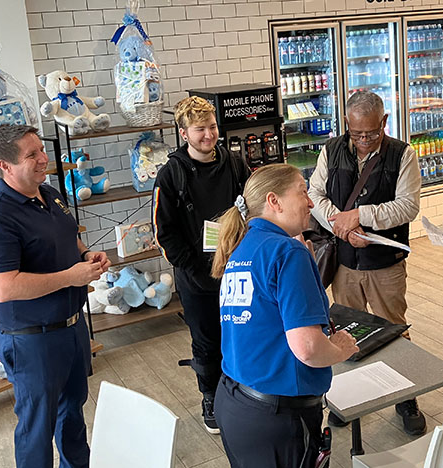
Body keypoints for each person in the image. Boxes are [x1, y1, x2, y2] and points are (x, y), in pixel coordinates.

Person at [0, 124, 110, 468]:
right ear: (5, 166)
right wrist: (70, 277)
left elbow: (69, 237)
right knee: (37, 428)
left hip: (72, 328)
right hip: (32, 340)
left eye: (41, 150)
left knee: (72, 414)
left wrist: (86, 255)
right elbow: (5, 287)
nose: (43, 158)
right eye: (31, 155)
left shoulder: (49, 194)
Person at [211, 164, 359, 468]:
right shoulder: (288, 253)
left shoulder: (240, 248)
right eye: (302, 192)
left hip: (234, 403)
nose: (310, 202)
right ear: (273, 201)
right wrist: (340, 350)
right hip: (276, 416)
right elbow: (308, 349)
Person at [308, 90, 425, 435]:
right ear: (347, 124)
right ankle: (349, 397)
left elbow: (408, 206)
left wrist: (362, 215)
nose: (363, 140)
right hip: (344, 262)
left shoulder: (403, 154)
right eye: (356, 133)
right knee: (344, 332)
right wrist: (341, 225)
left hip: (385, 262)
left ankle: (406, 397)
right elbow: (314, 195)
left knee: (394, 328)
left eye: (371, 133)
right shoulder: (330, 151)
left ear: (384, 123)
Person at [152, 96, 250, 434]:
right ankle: (210, 396)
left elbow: (251, 207)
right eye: (200, 129)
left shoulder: (236, 164)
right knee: (206, 340)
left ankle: (241, 392)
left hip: (238, 267)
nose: (208, 135)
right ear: (184, 133)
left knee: (240, 331)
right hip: (196, 276)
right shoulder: (170, 175)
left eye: (212, 127)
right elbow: (164, 232)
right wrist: (194, 266)